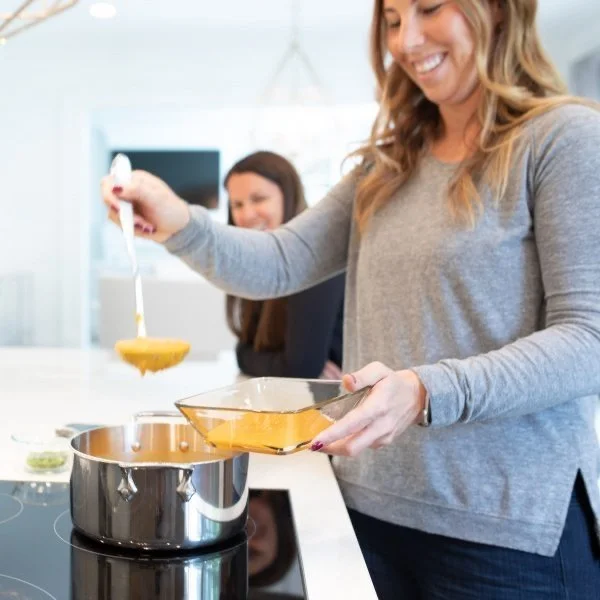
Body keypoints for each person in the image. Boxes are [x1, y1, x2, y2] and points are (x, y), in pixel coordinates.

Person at [102, 0, 600, 597]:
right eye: (391, 20)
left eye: (430, 9)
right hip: (367, 509)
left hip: (505, 531)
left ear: (496, 10)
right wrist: (181, 220)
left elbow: (587, 339)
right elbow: (281, 261)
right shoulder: (386, 165)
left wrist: (424, 391)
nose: (407, 40)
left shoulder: (561, 139)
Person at [223, 151, 345, 380]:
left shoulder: (314, 254)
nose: (246, 214)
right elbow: (244, 350)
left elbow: (299, 369)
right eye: (237, 204)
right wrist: (249, 355)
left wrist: (251, 357)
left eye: (259, 199)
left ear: (288, 198)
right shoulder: (258, 263)